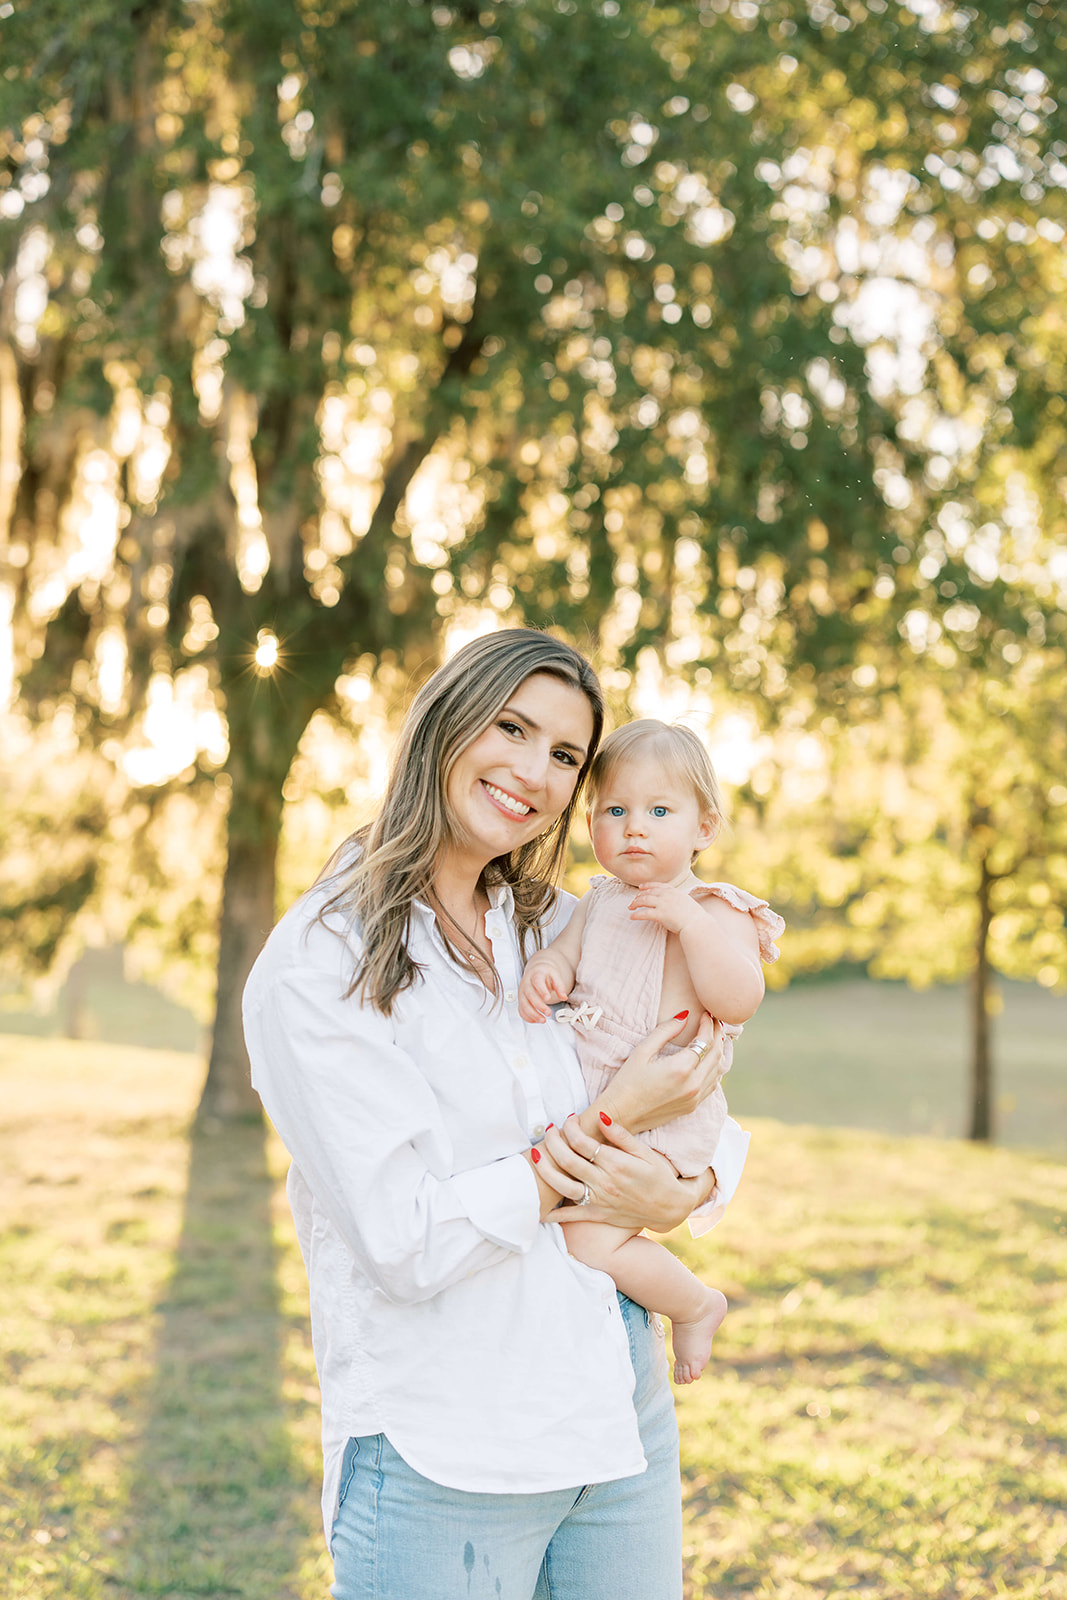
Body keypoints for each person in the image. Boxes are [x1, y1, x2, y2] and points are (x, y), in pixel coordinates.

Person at [243, 630, 750, 1600]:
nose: (533, 771)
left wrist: (681, 1182)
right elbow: (405, 1241)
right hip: (449, 1453)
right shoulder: (319, 964)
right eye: (511, 727)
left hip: (614, 1421)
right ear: (443, 720)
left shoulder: (557, 926)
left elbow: (696, 1068)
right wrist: (605, 1127)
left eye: (564, 755)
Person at [518, 720, 784, 1384]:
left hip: (664, 1117)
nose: (634, 827)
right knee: (553, 1217)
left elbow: (739, 998)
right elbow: (566, 955)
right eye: (615, 810)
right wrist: (546, 971)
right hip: (602, 1104)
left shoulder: (716, 908)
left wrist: (688, 924)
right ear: (590, 826)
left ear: (703, 828)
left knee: (580, 1235)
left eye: (658, 811)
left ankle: (694, 1304)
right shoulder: (600, 900)